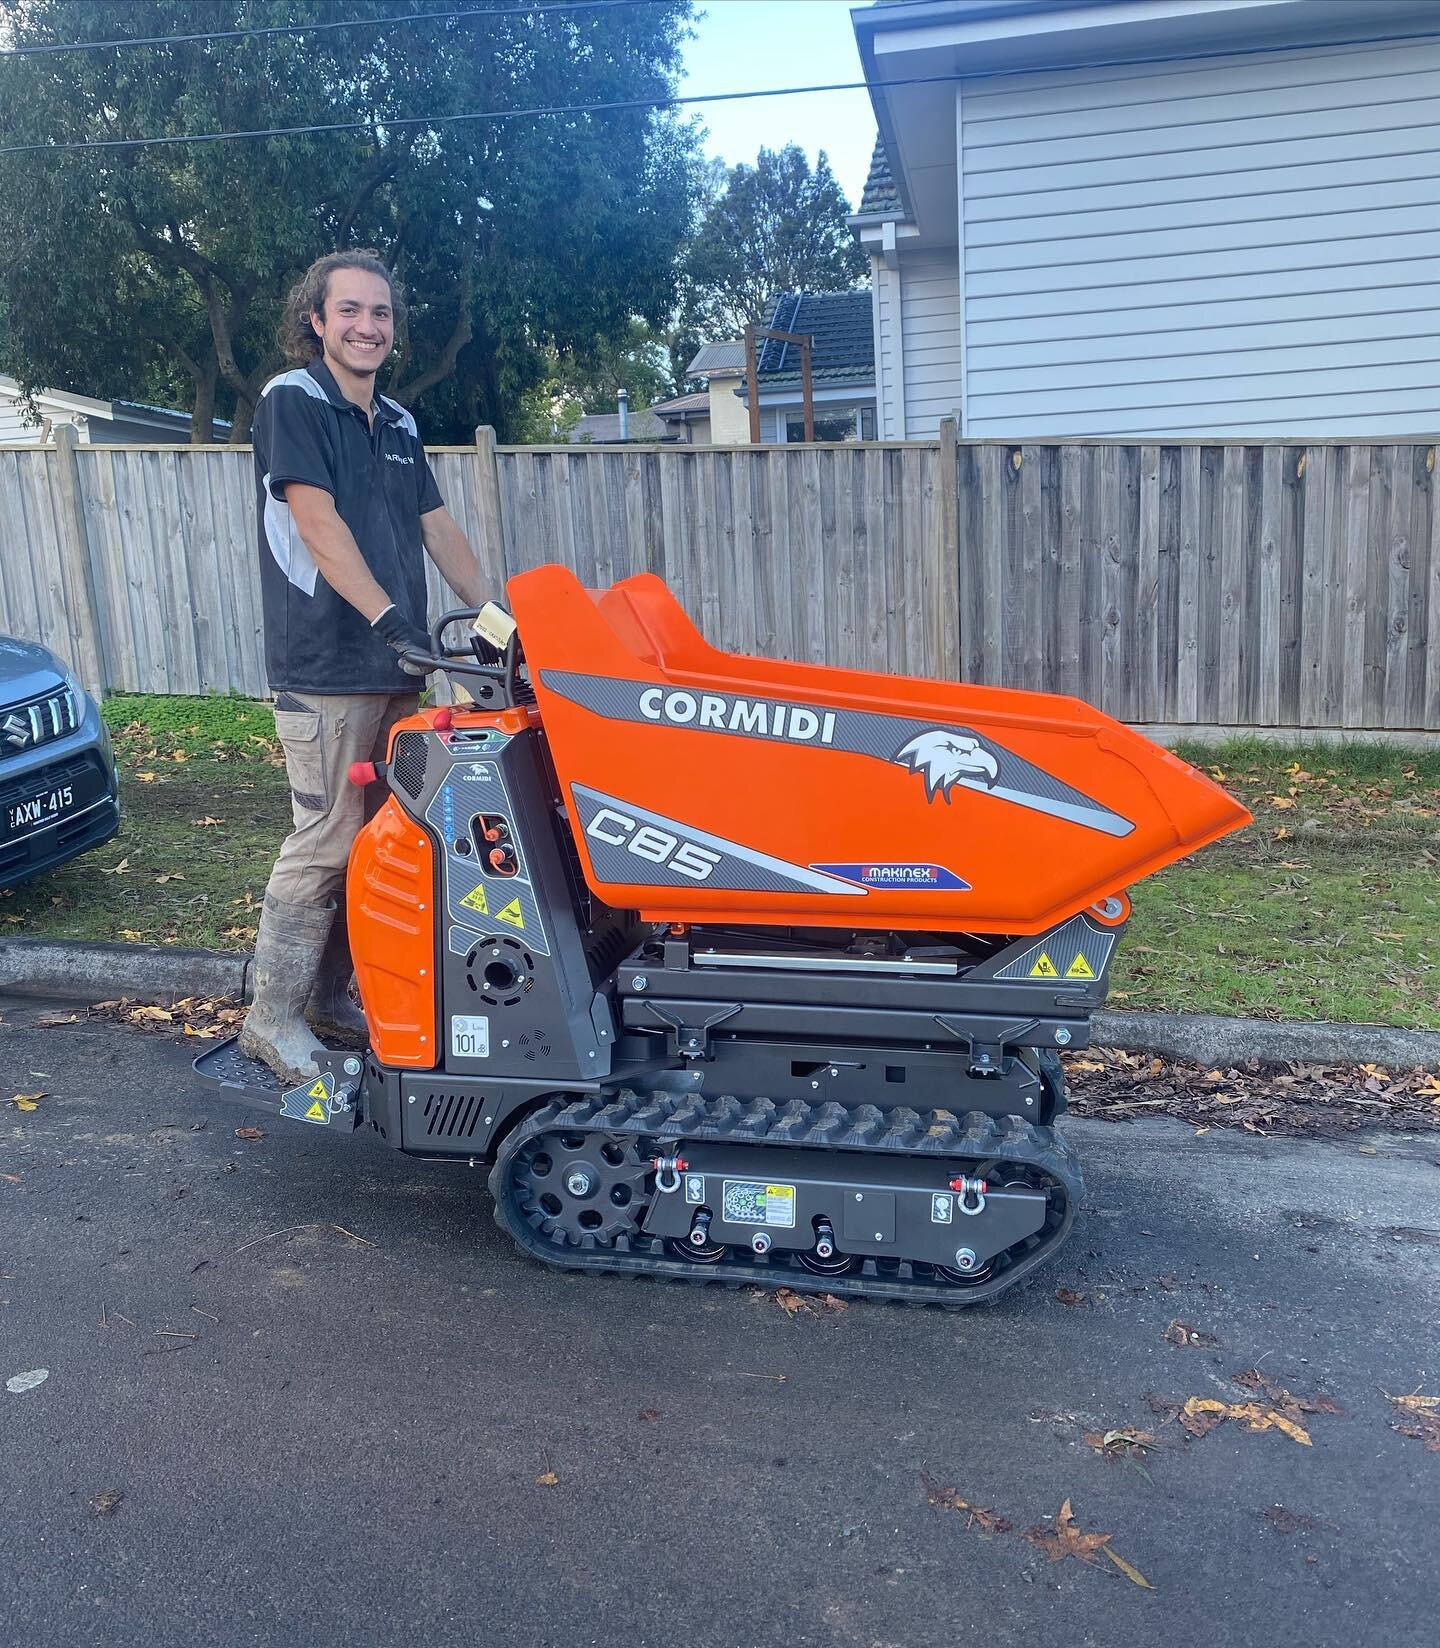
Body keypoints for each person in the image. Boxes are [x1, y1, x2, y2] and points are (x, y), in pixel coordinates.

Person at [239, 249, 488, 1085]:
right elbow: (315, 522)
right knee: (326, 839)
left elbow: (439, 528)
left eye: (380, 314)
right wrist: (386, 616)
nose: (367, 327)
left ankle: (333, 999)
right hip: (325, 666)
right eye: (349, 311)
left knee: (383, 841)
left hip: (398, 666)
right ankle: (270, 1020)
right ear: (316, 319)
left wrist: (498, 619)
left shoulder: (399, 423)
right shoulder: (292, 401)